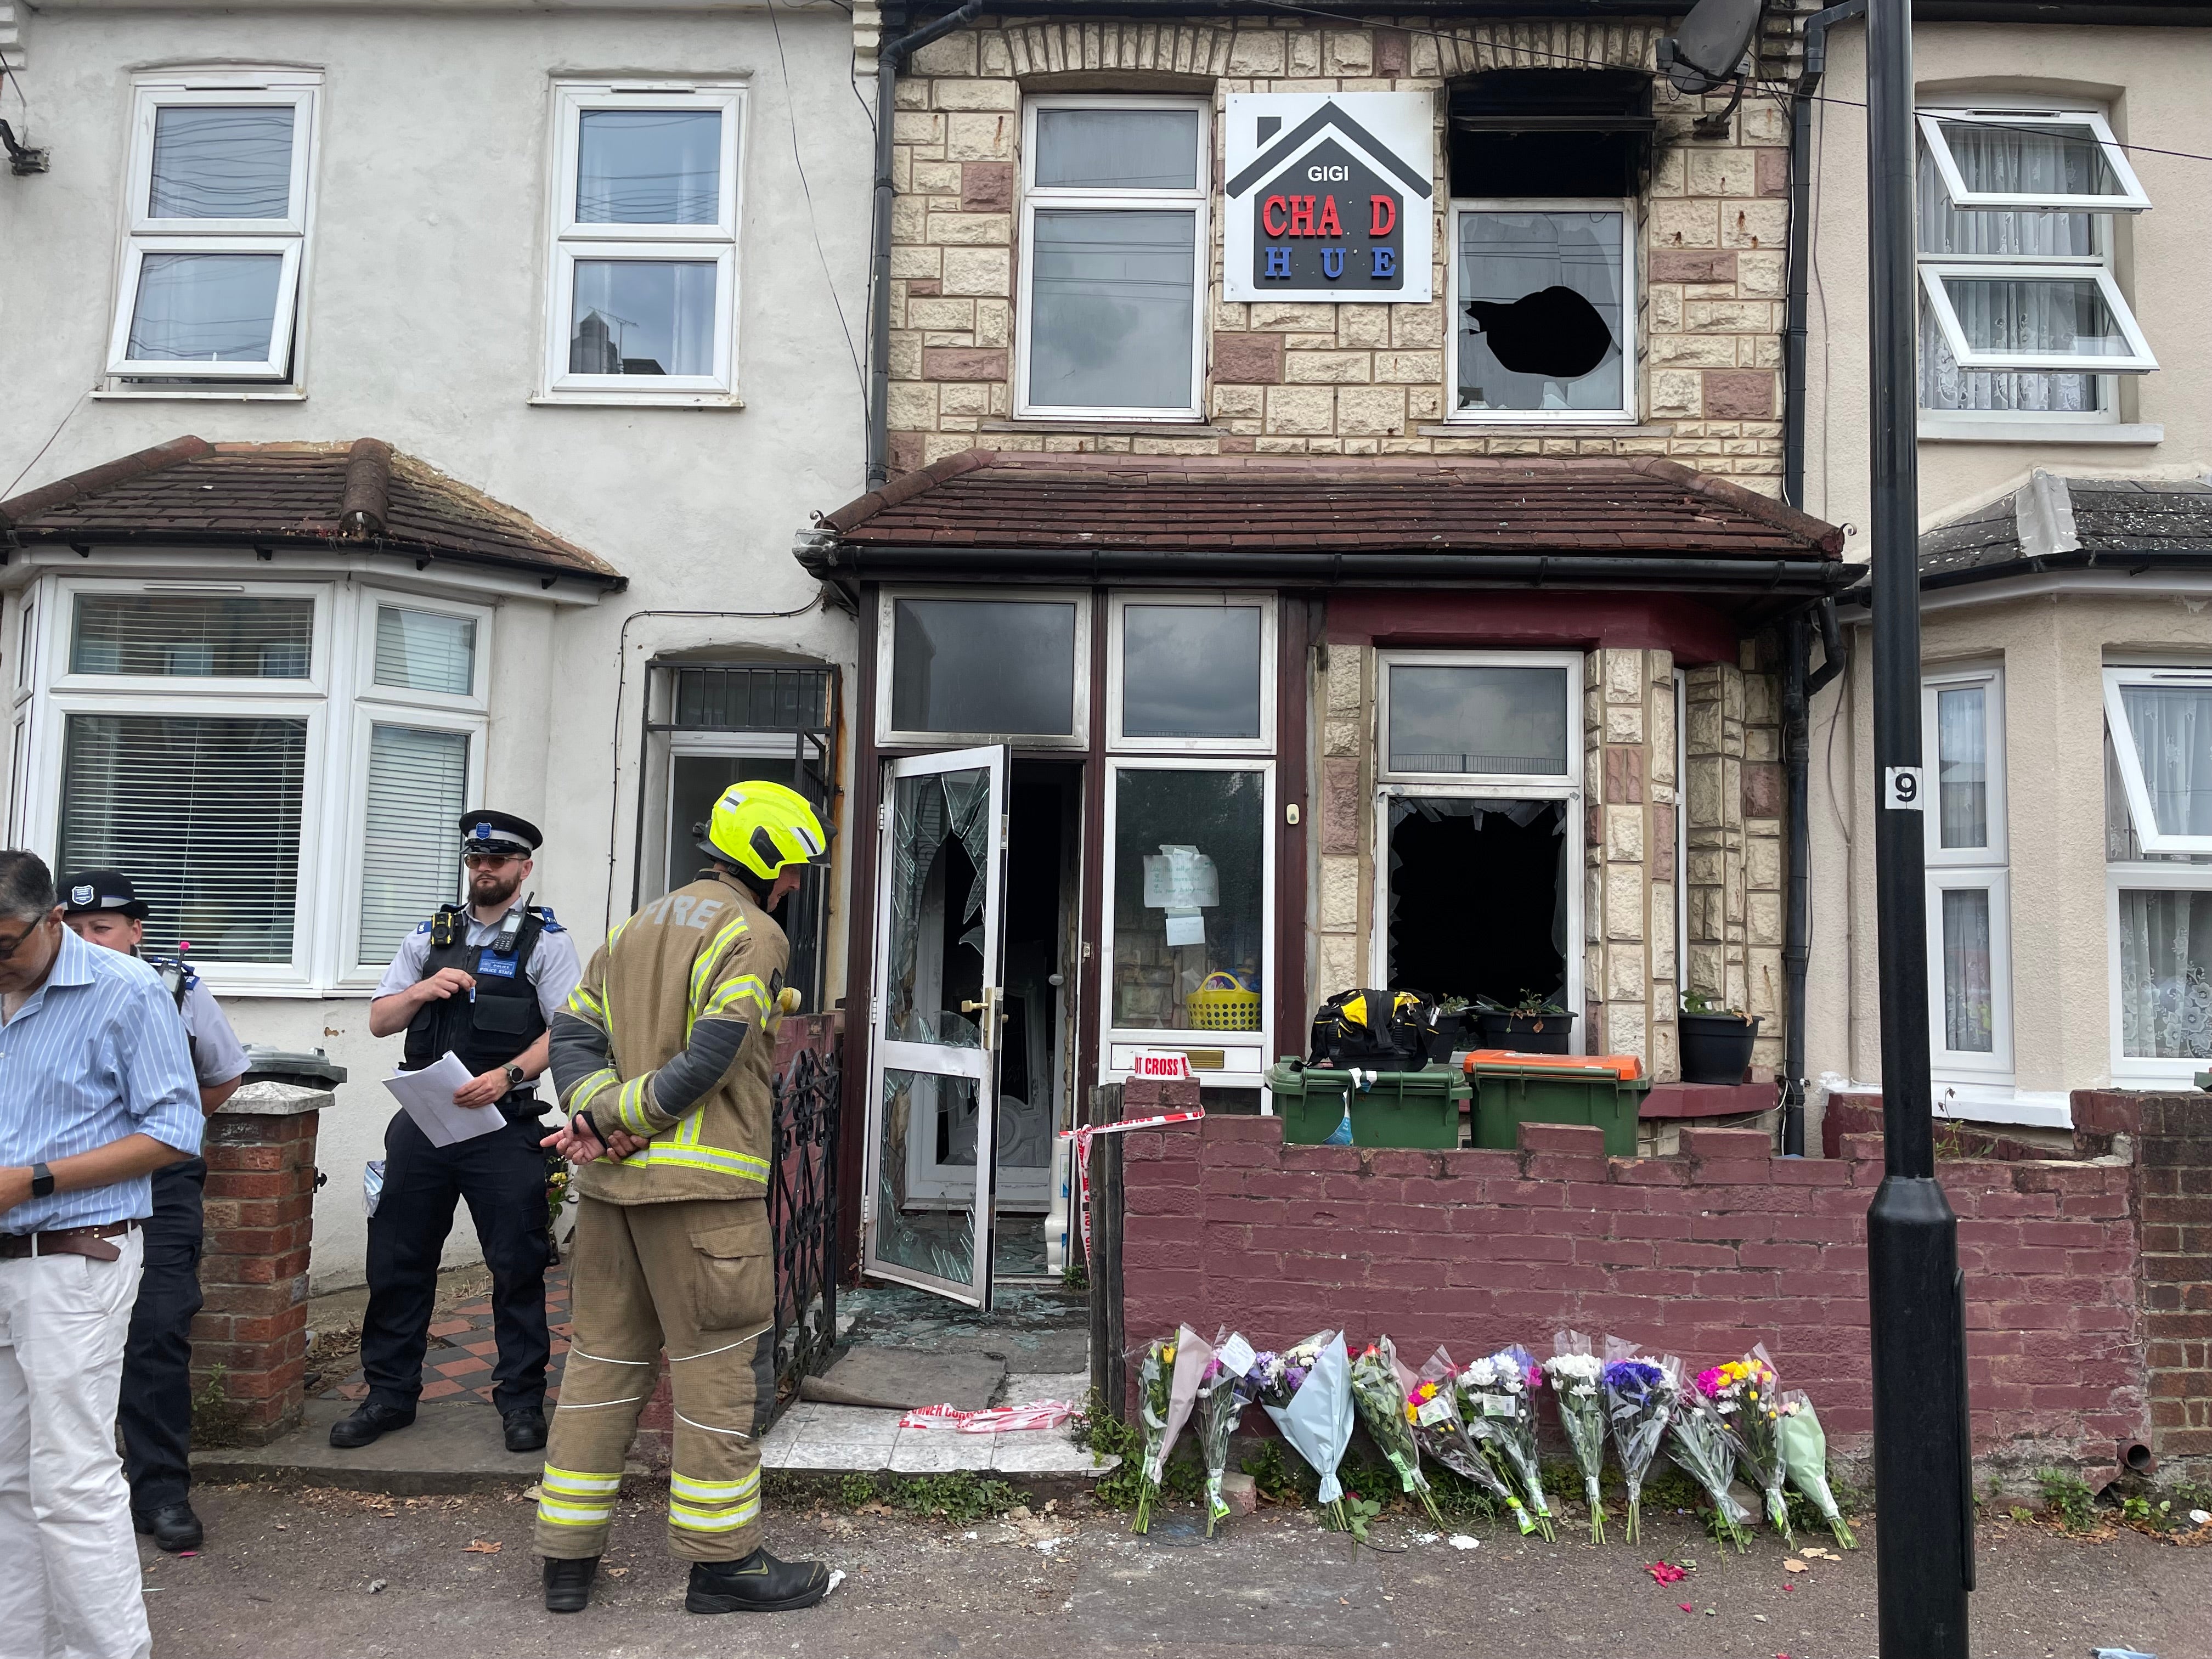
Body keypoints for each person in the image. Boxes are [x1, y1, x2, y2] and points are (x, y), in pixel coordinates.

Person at [535, 780, 832, 1617]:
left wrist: (597, 1116)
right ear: (767, 858)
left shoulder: (635, 926)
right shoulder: (753, 931)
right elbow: (714, 1053)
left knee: (600, 1365)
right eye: (796, 867)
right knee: (716, 1378)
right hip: (704, 1200)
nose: (799, 884)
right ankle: (723, 1565)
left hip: (610, 1200)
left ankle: (567, 1557)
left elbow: (573, 1032)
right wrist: (625, 1118)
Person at [0, 850, 202, 1659]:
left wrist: (32, 1181)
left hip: (75, 1257)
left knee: (73, 1480)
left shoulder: (127, 992)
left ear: (52, 921)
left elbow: (173, 1132)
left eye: (6, 943)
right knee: (9, 1479)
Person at [333, 810, 582, 1455]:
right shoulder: (428, 936)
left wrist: (507, 1075)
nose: (485, 871)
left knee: (517, 1265)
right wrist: (423, 988)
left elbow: (568, 1030)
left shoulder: (547, 942)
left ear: (524, 869)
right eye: (476, 861)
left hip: (504, 1122)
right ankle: (389, 1394)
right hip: (423, 1120)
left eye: (498, 861)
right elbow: (381, 1021)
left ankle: (521, 1400)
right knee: (397, 1260)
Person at [62, 870, 250, 1556]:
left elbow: (225, 1072)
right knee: (62, 1335)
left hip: (160, 1187)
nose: (88, 941)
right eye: (75, 929)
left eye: (102, 928)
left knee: (157, 1331)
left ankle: (162, 1492)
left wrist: (163, 1134)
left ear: (137, 930)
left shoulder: (177, 989)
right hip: (66, 1191)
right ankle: (74, 1494)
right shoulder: (39, 992)